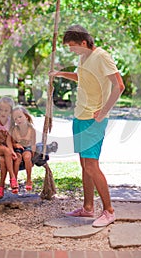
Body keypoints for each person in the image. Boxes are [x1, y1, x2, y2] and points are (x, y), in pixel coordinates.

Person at [50, 25, 125, 227]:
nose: (71, 50)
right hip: (80, 116)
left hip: (94, 119)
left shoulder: (101, 56)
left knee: (92, 165)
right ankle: (88, 208)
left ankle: (109, 211)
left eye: (73, 46)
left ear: (84, 43)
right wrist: (59, 74)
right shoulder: (83, 58)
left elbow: (119, 85)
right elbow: (81, 77)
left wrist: (103, 111)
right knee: (84, 165)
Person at [0, 96, 18, 199]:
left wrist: (12, 151)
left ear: (10, 111)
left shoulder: (11, 123)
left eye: (6, 110)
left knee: (3, 161)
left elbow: (9, 140)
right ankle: (12, 178)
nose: (3, 112)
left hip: (6, 150)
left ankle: (0, 189)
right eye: (1, 109)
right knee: (5, 151)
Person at [6, 105, 36, 191]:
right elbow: (9, 141)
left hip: (28, 148)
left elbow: (33, 143)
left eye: (20, 117)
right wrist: (14, 147)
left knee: (27, 157)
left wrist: (33, 157)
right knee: (17, 159)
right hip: (18, 148)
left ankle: (29, 180)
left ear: (26, 116)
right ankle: (14, 180)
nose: (18, 120)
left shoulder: (31, 129)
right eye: (15, 118)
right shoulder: (14, 129)